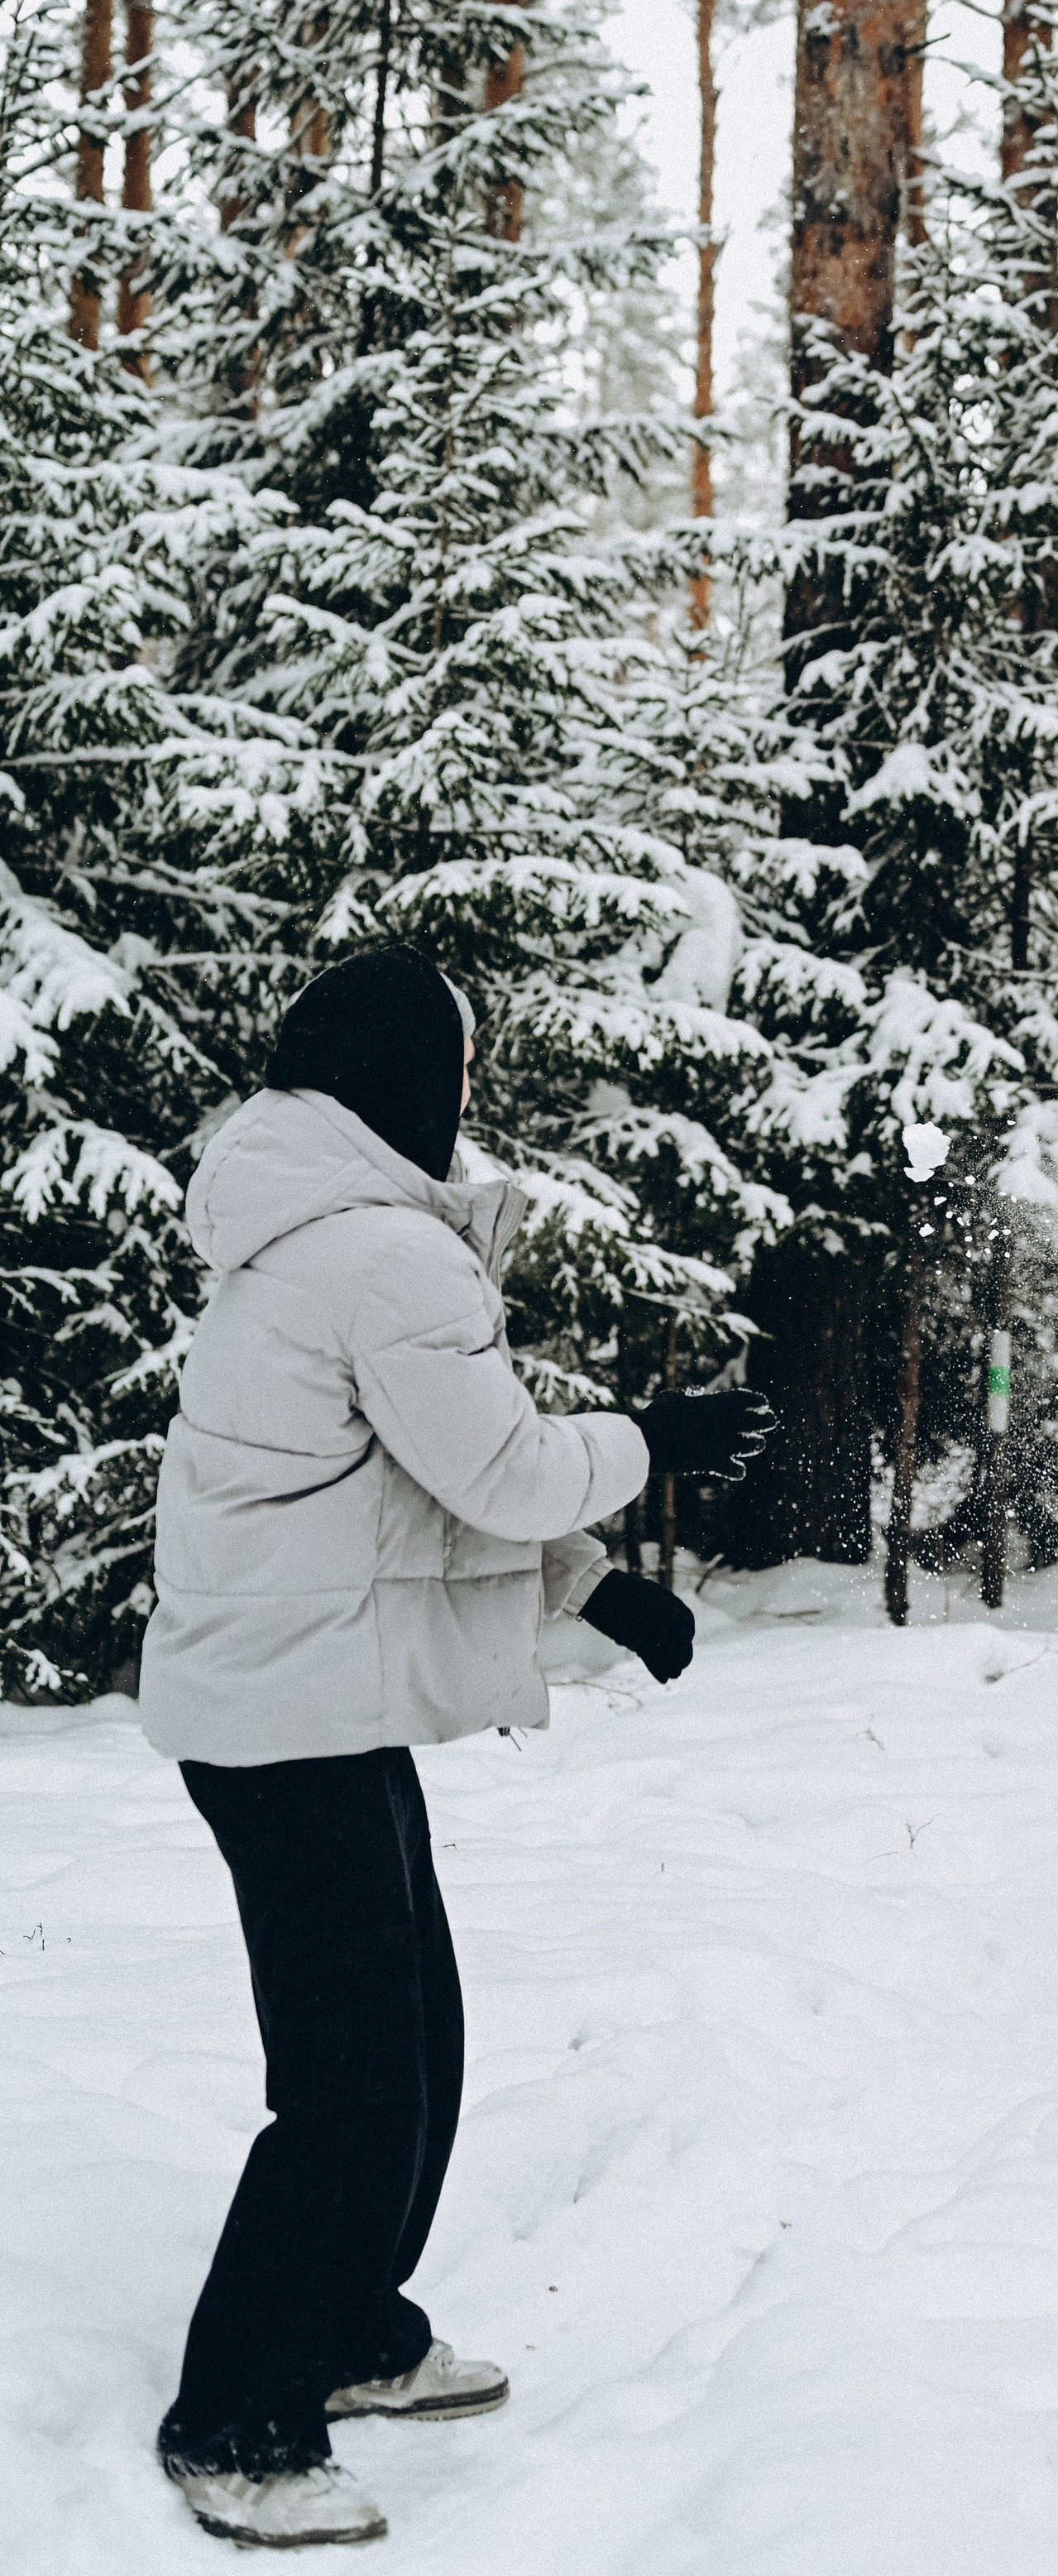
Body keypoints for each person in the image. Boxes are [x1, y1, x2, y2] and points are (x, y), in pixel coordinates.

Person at [138, 946, 776, 2550]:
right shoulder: (376, 1254)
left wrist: (599, 1591)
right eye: (460, 1066)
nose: (469, 1097)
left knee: (411, 2031)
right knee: (354, 2075)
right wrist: (657, 1440)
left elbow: (402, 1494)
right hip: (290, 1720)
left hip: (292, 1705)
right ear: (401, 1073)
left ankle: (349, 2324)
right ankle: (233, 2413)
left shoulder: (304, 1238)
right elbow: (495, 1466)